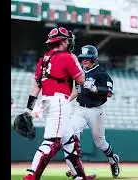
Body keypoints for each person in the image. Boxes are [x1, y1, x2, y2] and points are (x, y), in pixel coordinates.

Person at [15, 27, 95, 180]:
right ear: (62, 41)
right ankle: (31, 176)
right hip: (59, 101)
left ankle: (80, 176)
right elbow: (81, 80)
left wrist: (28, 108)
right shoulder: (67, 57)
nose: (69, 43)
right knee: (52, 142)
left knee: (70, 140)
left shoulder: (43, 59)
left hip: (47, 101)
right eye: (67, 40)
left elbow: (36, 86)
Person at [66, 45, 120, 178]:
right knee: (72, 134)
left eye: (88, 58)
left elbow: (109, 92)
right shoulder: (79, 71)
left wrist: (96, 89)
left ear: (94, 59)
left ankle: (113, 159)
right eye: (83, 58)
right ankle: (76, 166)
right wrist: (66, 100)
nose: (84, 60)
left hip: (96, 111)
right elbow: (76, 91)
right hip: (80, 109)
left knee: (100, 142)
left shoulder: (101, 72)